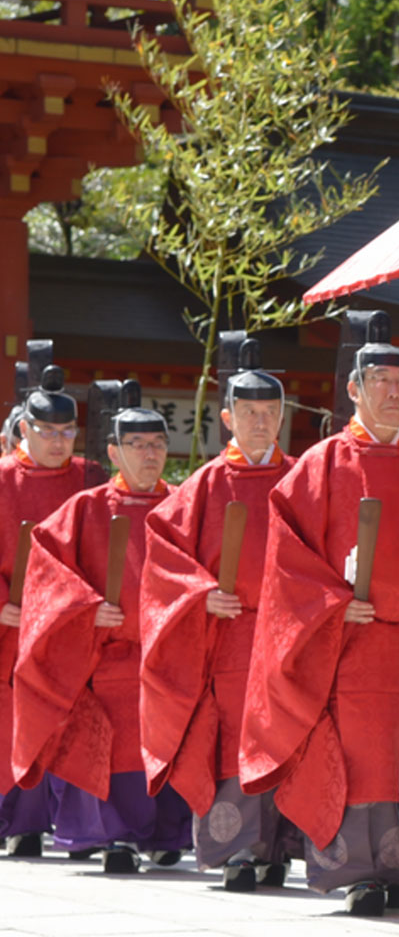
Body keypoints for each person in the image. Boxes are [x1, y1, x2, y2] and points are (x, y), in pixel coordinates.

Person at [240, 321, 399, 916]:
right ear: (354, 389)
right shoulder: (322, 464)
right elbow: (285, 558)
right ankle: (359, 874)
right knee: (362, 759)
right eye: (380, 381)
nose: (393, 393)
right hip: (350, 646)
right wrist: (335, 602)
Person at [141, 361, 303, 893]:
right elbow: (162, 553)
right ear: (228, 418)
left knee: (289, 731)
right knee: (236, 737)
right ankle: (237, 851)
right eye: (250, 412)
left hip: (291, 631)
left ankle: (279, 847)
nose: (261, 422)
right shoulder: (207, 482)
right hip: (232, 632)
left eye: (271, 412)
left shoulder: (302, 477)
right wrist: (202, 593)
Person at [13, 402, 190, 872]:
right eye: (137, 445)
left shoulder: (182, 506)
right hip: (109, 654)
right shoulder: (85, 508)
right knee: (118, 746)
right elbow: (45, 571)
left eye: (157, 445)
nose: (149, 455)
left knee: (170, 738)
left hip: (170, 650)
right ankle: (119, 838)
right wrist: (88, 610)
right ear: (114, 452)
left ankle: (166, 835)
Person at [0, 369, 102, 858]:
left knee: (72, 719)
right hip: (14, 621)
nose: (60, 442)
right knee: (14, 720)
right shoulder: (2, 480)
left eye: (67, 433)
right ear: (24, 429)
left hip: (73, 622)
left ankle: (78, 827)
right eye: (48, 432)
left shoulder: (90, 476)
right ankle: (19, 823)